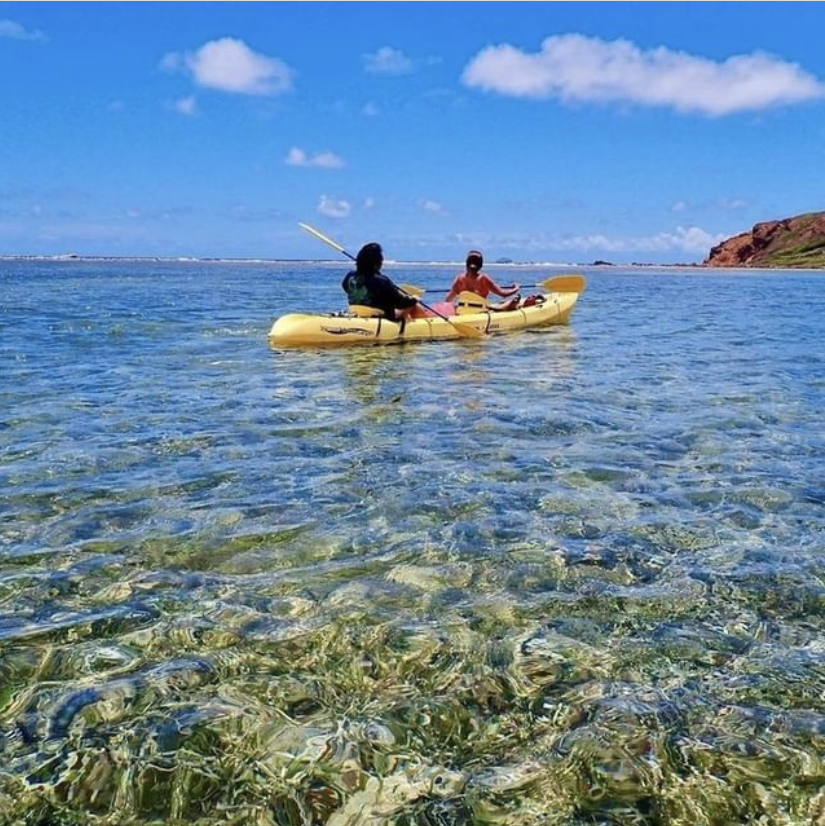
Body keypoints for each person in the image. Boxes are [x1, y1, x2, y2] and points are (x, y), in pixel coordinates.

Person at [341, 242, 419, 320]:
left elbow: (346, 288)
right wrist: (414, 299)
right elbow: (400, 304)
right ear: (377, 264)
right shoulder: (382, 281)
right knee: (413, 304)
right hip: (382, 318)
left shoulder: (350, 276)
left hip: (357, 313)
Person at [444, 250, 521, 311]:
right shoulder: (483, 279)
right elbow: (503, 294)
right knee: (510, 303)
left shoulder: (459, 279)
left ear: (467, 264)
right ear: (480, 266)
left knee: (503, 303)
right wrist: (516, 288)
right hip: (480, 311)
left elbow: (448, 300)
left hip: (462, 311)